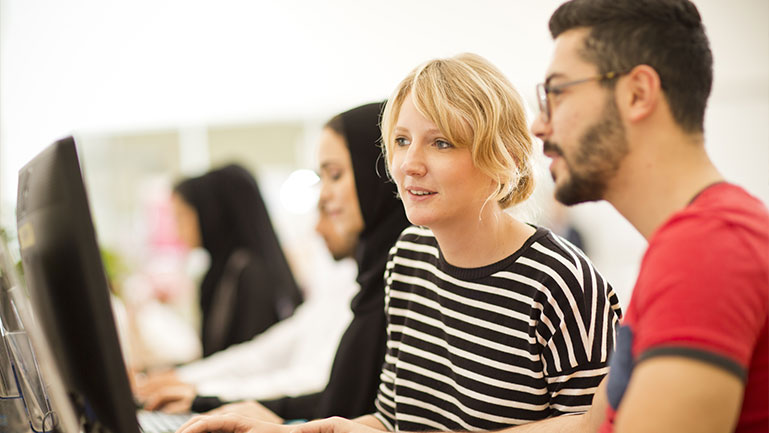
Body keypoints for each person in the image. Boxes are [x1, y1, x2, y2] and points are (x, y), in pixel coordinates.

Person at [176, 53, 622, 433]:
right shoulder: (409, 257)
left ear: (500, 157)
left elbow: (602, 426)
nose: (409, 164)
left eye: (441, 143)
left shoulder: (563, 282)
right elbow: (394, 419)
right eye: (402, 141)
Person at [141, 102, 412, 421]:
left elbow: (316, 384)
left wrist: (207, 397)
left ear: (379, 176)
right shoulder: (361, 281)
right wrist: (191, 384)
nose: (323, 199)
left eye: (335, 175)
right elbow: (274, 353)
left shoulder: (399, 284)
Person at [170, 164, 304, 357]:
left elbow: (248, 357)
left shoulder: (251, 274)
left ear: (210, 212)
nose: (178, 230)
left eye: (181, 217)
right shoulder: (221, 271)